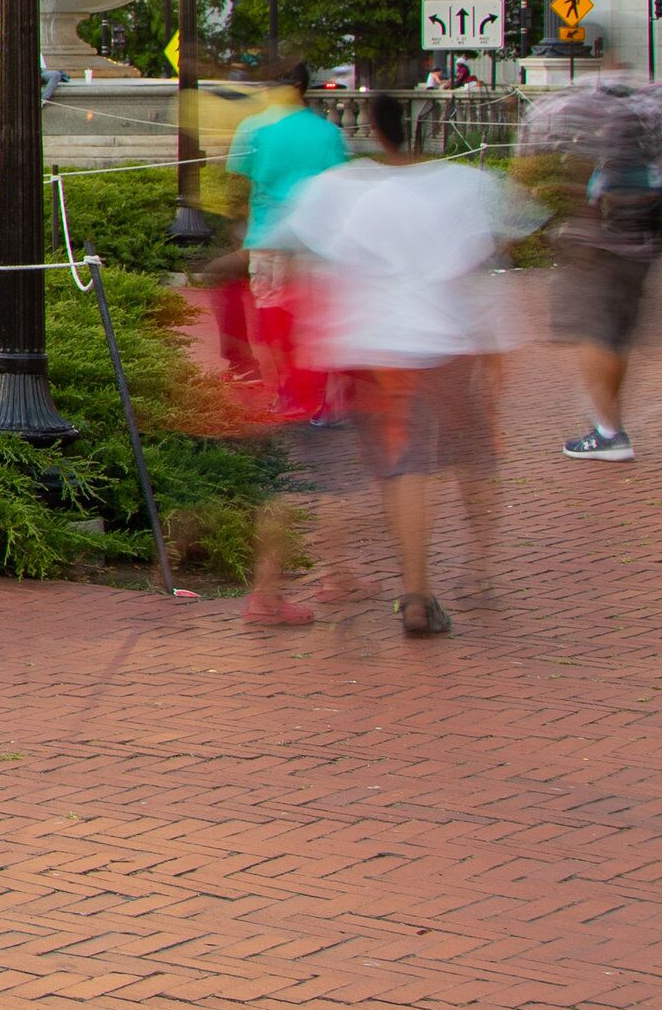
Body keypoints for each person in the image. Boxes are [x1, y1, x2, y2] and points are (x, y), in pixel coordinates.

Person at [273, 91, 536, 637]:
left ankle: (416, 589)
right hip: (449, 340)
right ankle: (478, 571)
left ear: (370, 128)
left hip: (373, 346)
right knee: (474, 456)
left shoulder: (341, 188)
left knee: (402, 467)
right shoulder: (466, 184)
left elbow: (293, 248)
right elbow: (505, 239)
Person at [211, 71, 354, 627]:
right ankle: (310, 399)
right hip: (316, 246)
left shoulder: (254, 127)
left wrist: (241, 230)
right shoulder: (325, 133)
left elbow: (236, 190)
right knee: (309, 325)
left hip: (267, 241)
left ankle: (283, 395)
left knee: (271, 319)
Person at [514, 75, 662, 462]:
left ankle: (609, 431)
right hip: (638, 251)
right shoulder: (647, 144)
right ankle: (610, 425)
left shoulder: (607, 155)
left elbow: (587, 200)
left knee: (595, 334)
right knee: (615, 337)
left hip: (599, 256)